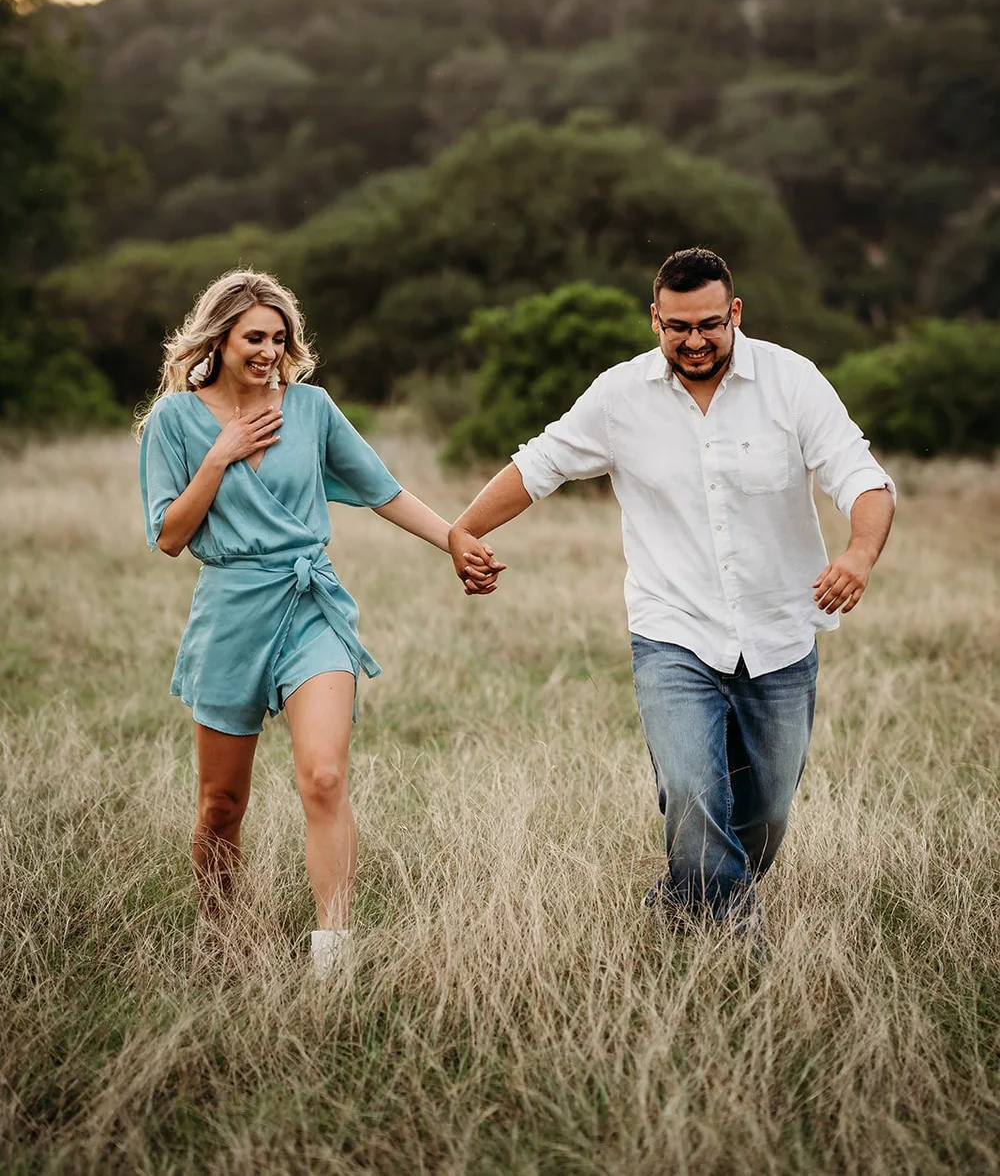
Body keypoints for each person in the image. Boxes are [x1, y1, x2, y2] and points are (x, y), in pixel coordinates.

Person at [447, 247, 895, 935]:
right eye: (677, 326)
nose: (694, 341)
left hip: (778, 631)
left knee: (768, 810)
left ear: (734, 313)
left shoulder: (791, 381)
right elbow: (540, 464)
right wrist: (463, 532)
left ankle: (685, 898)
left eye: (710, 324)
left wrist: (860, 553)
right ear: (654, 318)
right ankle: (723, 943)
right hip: (672, 629)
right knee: (691, 790)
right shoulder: (619, 397)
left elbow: (860, 475)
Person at [137, 269, 502, 978]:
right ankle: (218, 933)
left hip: (311, 605)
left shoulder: (311, 409)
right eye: (254, 338)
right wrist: (220, 456)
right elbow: (169, 536)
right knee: (220, 804)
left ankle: (332, 958)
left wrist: (455, 537)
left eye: (279, 337)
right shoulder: (173, 423)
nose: (269, 350)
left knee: (325, 776)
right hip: (231, 613)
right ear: (218, 339)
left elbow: (381, 489)